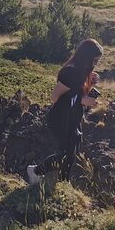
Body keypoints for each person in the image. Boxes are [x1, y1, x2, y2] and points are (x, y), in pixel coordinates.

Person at [27, 39, 103, 185]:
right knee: (63, 155)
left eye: (98, 61)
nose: (95, 64)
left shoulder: (82, 71)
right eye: (94, 60)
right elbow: (55, 97)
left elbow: (77, 92)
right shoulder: (70, 72)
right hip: (61, 118)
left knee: (71, 156)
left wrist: (90, 83)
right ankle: (35, 171)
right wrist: (82, 100)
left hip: (73, 118)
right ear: (85, 57)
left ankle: (63, 185)